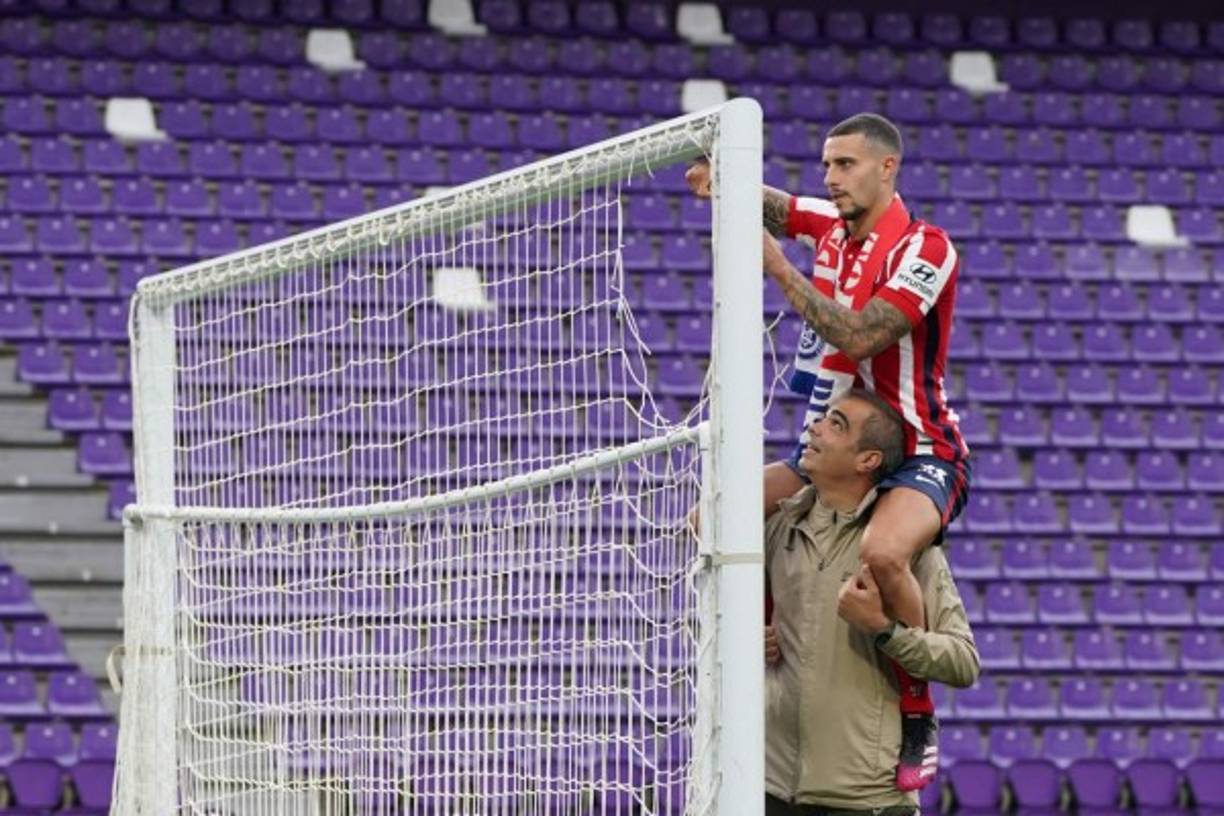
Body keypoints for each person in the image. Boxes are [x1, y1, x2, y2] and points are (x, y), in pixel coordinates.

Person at [687, 112, 970, 789]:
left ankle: (915, 708)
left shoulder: (926, 249)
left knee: (882, 553)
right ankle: (765, 636)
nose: (830, 178)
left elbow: (864, 334)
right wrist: (716, 175)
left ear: (886, 168)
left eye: (844, 165)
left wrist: (778, 269)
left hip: (918, 448)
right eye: (825, 165)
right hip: (835, 443)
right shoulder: (830, 223)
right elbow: (780, 207)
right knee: (713, 517)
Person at [763, 389, 979, 814]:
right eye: (822, 418)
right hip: (771, 792)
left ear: (869, 460)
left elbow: (963, 662)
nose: (814, 426)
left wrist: (885, 631)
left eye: (836, 424)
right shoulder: (778, 527)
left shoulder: (905, 550)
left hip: (870, 802)